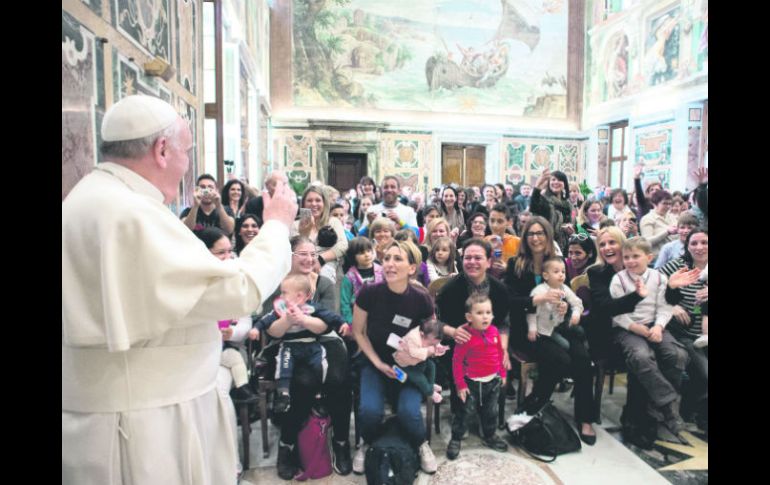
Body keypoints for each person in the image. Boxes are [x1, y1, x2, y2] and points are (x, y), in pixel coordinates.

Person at [62, 94, 297, 484]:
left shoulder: (86, 200)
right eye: (187, 151)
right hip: (145, 427)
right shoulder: (129, 212)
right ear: (162, 149)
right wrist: (275, 225)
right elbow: (237, 291)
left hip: (115, 413)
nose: (188, 165)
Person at [504, 217, 597, 443]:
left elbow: (565, 294)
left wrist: (564, 307)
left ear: (548, 237)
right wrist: (537, 299)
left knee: (583, 359)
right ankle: (529, 410)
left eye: (540, 233)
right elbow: (509, 301)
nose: (536, 238)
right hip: (529, 329)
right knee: (561, 359)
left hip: (557, 325)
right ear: (525, 238)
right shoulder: (516, 264)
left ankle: (585, 418)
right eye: (531, 234)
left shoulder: (558, 263)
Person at [351, 240, 438, 475]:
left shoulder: (421, 298)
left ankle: (421, 444)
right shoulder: (369, 293)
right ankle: (366, 443)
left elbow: (432, 336)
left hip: (408, 366)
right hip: (375, 362)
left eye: (397, 259)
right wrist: (378, 363)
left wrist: (419, 352)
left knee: (409, 412)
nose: (389, 263)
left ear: (412, 268)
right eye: (387, 258)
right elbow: (358, 331)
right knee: (370, 411)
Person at [609, 237, 689, 437]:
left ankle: (654, 406)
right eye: (627, 257)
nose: (631, 261)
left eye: (636, 256)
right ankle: (669, 405)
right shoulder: (618, 280)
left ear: (649, 257)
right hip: (628, 329)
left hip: (655, 325)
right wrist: (635, 328)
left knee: (677, 355)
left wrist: (659, 327)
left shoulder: (659, 278)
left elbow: (665, 307)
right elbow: (617, 314)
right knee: (641, 356)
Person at [434, 238, 511, 411]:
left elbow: (504, 323)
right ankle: (461, 410)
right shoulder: (450, 289)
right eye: (468, 258)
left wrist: (503, 348)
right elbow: (435, 323)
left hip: (490, 343)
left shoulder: (499, 289)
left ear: (489, 262)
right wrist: (452, 331)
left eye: (478, 258)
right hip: (459, 344)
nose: (472, 262)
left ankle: (487, 410)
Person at [253, 274, 345, 414]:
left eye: (284, 293)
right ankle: (283, 395)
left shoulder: (311, 308)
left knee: (320, 365)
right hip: (289, 345)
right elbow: (266, 320)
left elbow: (329, 316)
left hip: (311, 344)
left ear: (300, 296)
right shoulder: (281, 309)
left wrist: (341, 323)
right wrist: (256, 328)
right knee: (284, 365)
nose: (281, 296)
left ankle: (320, 393)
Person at [195, 227, 256, 401]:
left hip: (230, 346)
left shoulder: (236, 278)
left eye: (230, 251)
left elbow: (245, 321)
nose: (228, 257)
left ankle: (242, 391)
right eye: (221, 252)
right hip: (198, 349)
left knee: (234, 359)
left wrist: (233, 333)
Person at [446, 294, 509, 460]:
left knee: (491, 411)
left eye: (488, 312)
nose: (485, 316)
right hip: (471, 383)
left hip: (492, 381)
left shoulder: (495, 331)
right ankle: (456, 438)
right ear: (469, 317)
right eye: (480, 313)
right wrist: (460, 385)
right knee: (464, 412)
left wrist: (502, 373)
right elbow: (457, 361)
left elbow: (500, 353)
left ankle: (490, 435)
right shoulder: (465, 336)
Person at [658, 229, 708, 432]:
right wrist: (672, 306)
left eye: (704, 242)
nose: (699, 247)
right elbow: (653, 285)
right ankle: (694, 409)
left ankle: (694, 409)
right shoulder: (678, 266)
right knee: (704, 372)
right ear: (686, 246)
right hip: (685, 333)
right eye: (694, 243)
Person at [293, 185, 349, 286]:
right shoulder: (295, 225)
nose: (314, 204)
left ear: (324, 203)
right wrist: (304, 232)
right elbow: (293, 250)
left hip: (328, 268)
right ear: (303, 204)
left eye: (318, 200)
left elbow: (343, 245)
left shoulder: (333, 222)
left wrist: (320, 259)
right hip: (302, 268)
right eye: (309, 200)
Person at [527, 258, 584, 352]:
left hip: (559, 324)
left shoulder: (564, 288)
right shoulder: (539, 291)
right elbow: (531, 311)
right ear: (546, 275)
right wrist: (532, 328)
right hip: (545, 328)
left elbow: (576, 302)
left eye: (563, 271)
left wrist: (576, 313)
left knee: (580, 331)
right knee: (565, 345)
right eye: (556, 272)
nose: (561, 274)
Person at [393, 317, 448, 404]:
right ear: (422, 335)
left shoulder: (429, 336)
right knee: (419, 378)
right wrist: (432, 350)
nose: (432, 345)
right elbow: (414, 353)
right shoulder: (412, 338)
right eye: (431, 344)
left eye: (434, 344)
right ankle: (430, 393)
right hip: (405, 364)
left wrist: (438, 348)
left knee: (432, 366)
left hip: (417, 361)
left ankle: (430, 385)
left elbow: (433, 345)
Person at [530, 168, 575, 252]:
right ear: (548, 183)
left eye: (560, 180)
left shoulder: (569, 206)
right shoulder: (544, 201)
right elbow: (534, 207)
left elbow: (575, 226)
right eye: (553, 180)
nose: (556, 182)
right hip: (547, 246)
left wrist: (571, 232)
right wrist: (538, 186)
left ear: (564, 184)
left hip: (567, 248)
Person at [640, 190, 678, 261]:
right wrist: (667, 232)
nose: (668, 206)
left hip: (674, 257)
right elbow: (646, 242)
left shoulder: (672, 217)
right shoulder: (648, 219)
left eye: (670, 204)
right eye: (664, 203)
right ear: (654, 204)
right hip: (656, 260)